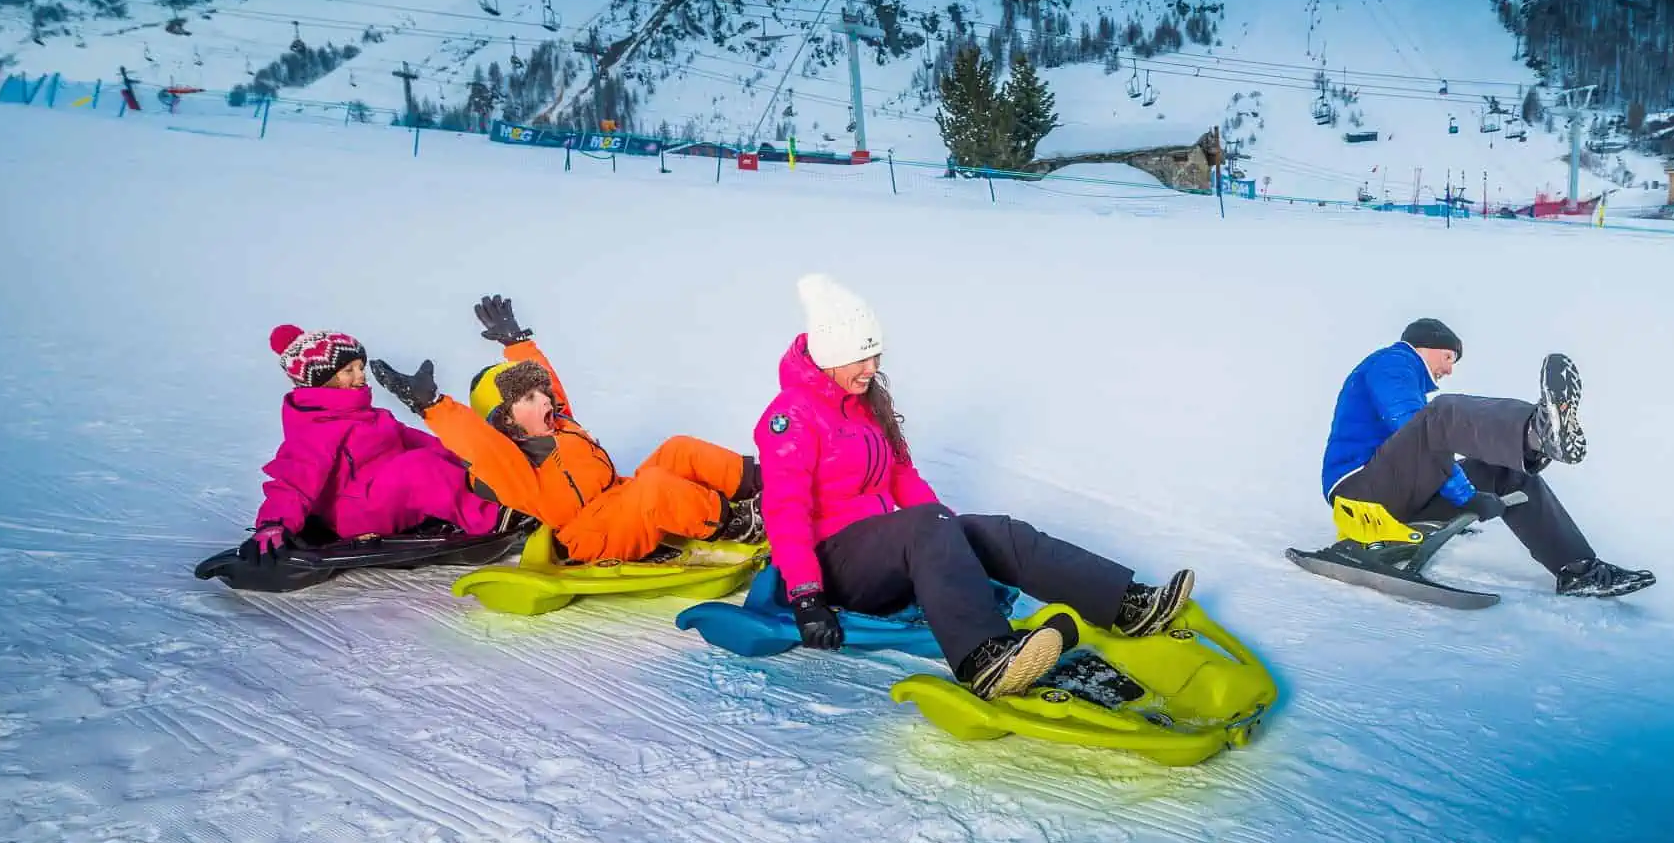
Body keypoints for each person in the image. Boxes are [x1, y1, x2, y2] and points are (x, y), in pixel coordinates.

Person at [757, 274, 1195, 701]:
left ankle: (1125, 604)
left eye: (876, 355)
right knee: (928, 526)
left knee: (993, 531)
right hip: (834, 567)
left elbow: (903, 478)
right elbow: (785, 511)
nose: (873, 369)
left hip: (883, 550)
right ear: (831, 353)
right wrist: (807, 596)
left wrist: (951, 531)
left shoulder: (863, 402)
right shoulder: (792, 417)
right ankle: (983, 659)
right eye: (861, 358)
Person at [370, 296, 762, 564]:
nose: (544, 401)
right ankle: (740, 525)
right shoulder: (517, 468)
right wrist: (431, 405)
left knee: (678, 449)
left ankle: (765, 483)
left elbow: (550, 385)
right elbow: (478, 445)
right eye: (528, 399)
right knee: (655, 484)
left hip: (620, 502)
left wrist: (517, 343)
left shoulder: (558, 421)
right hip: (594, 536)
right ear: (503, 421)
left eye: (542, 393)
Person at [1321, 318, 1654, 597]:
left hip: (1399, 493)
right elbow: (1411, 423)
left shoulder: (1405, 380)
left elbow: (1423, 449)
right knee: (1442, 412)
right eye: (1450, 358)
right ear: (1427, 345)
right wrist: (1466, 496)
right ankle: (1535, 433)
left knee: (1507, 471)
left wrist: (1470, 495)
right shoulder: (1392, 361)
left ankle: (1578, 570)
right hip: (1360, 489)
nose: (1449, 370)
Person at [244, 324, 519, 566]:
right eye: (347, 371)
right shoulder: (317, 426)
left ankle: (501, 494)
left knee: (430, 455)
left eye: (360, 368)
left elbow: (414, 439)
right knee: (419, 468)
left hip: (380, 497)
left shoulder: (368, 414)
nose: (361, 376)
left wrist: (468, 458)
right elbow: (294, 478)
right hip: (352, 515)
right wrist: (274, 524)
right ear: (321, 380)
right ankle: (492, 518)